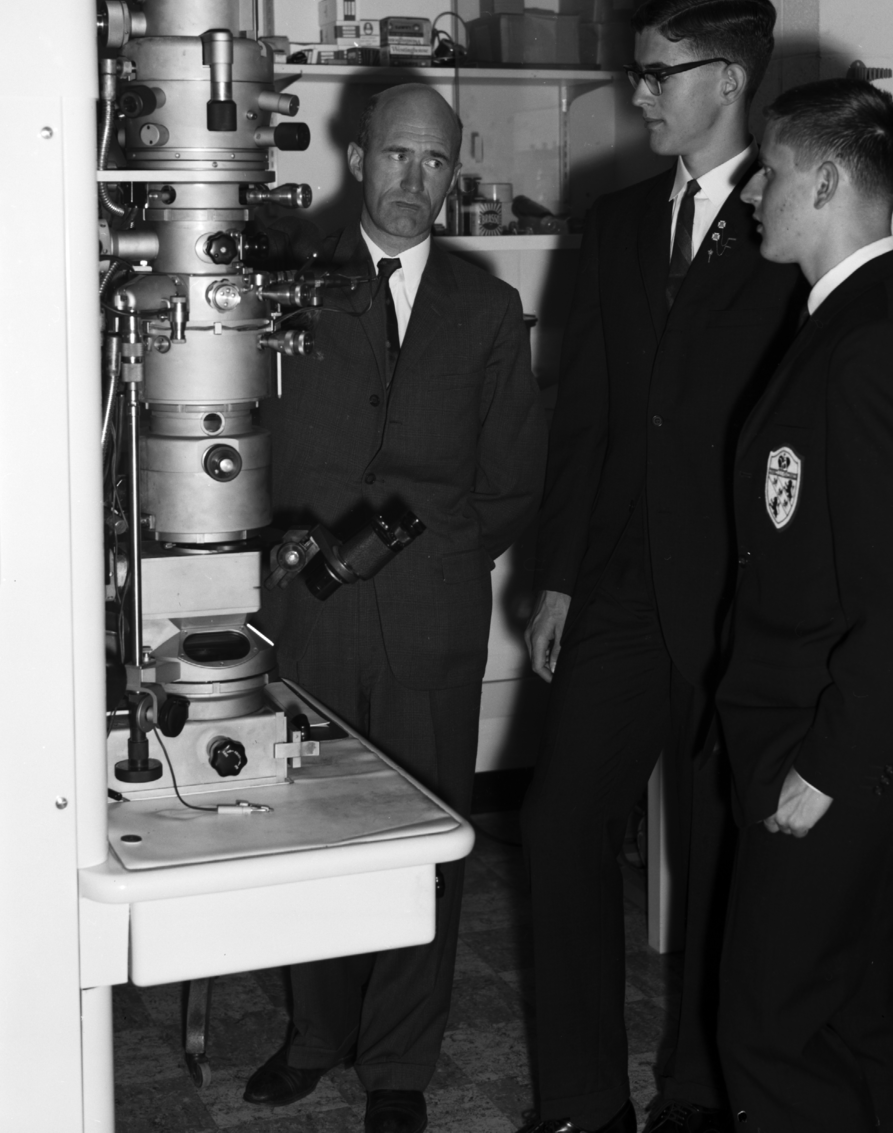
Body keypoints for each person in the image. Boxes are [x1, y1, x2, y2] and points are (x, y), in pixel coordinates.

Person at [519, 0, 806, 1133]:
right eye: (637, 69)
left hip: (738, 602)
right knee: (557, 823)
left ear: (727, 83)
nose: (636, 91)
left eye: (658, 72)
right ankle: (585, 1099)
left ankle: (695, 1090)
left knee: (715, 846)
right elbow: (587, 411)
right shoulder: (621, 216)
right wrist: (560, 576)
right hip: (623, 586)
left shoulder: (793, 224)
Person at [244, 83, 546, 1133]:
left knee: (427, 839)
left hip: (430, 621)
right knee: (312, 834)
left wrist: (431, 562)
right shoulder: (286, 285)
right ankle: (315, 1035)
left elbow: (512, 479)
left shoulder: (487, 306)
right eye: (401, 157)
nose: (418, 183)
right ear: (360, 154)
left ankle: (401, 1064)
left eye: (438, 164)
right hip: (308, 615)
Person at [714, 79, 893, 1132]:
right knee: (856, 1013)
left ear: (822, 180)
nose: (753, 194)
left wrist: (832, 765)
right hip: (824, 736)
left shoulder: (874, 343)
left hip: (818, 745)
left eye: (768, 172)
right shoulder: (844, 321)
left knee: (769, 1031)